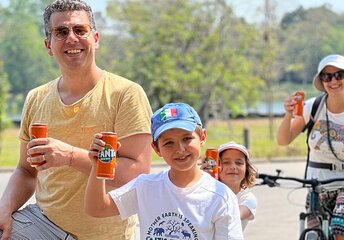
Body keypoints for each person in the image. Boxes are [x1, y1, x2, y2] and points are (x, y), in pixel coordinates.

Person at [0, 0, 153, 239]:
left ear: (96, 38)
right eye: (61, 32)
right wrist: (5, 208)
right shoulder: (35, 98)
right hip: (44, 225)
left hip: (106, 234)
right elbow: (25, 170)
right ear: (48, 45)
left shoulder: (126, 93)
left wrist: (71, 156)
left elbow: (138, 174)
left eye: (80, 30)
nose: (71, 38)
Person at [85, 102, 244, 239]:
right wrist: (97, 166)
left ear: (202, 137)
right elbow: (97, 208)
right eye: (169, 143)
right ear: (156, 148)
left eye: (186, 139)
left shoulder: (220, 196)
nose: (180, 149)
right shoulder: (145, 187)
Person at [277, 54, 344, 240]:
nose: (333, 81)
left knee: (340, 226)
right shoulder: (312, 107)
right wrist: (288, 115)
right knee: (313, 234)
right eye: (327, 76)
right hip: (317, 183)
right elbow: (283, 140)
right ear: (321, 81)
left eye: (339, 75)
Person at [201, 141, 258, 231]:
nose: (233, 167)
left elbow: (233, 215)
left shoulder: (247, 198)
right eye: (226, 162)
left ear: (247, 168)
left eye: (239, 163)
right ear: (215, 166)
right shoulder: (204, 190)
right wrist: (200, 179)